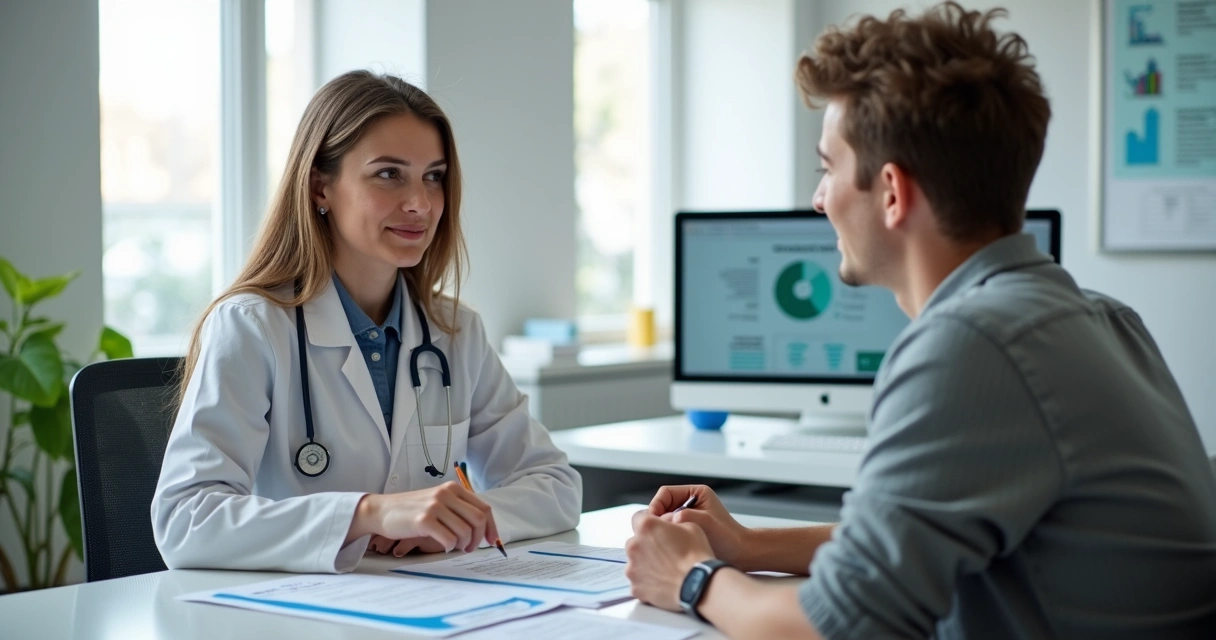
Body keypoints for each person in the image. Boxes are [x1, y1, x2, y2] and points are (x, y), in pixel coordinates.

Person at [623, 3, 1216, 639]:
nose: (819, 200)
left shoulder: (971, 343)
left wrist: (692, 577)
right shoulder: (1100, 317)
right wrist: (746, 546)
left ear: (892, 192)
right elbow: (903, 539)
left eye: (827, 168)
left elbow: (840, 629)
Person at [152, 70, 581, 573]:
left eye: (434, 176)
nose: (420, 202)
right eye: (388, 174)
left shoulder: (454, 332)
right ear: (319, 188)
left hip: (424, 605)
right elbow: (186, 520)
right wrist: (368, 514)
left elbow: (554, 485)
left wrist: (454, 523)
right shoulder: (252, 327)